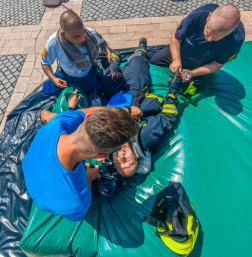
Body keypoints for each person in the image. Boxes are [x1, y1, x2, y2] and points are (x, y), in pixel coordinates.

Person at [22, 107, 139, 222]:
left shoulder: (60, 121)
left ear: (88, 117)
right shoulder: (77, 202)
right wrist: (89, 177)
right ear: (100, 157)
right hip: (42, 195)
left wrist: (125, 111)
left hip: (30, 163)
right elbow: (78, 216)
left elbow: (82, 113)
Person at [98, 39, 182, 177]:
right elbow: (167, 118)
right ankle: (141, 49)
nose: (122, 158)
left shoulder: (104, 143)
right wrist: (174, 91)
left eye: (119, 164)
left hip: (112, 97)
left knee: (106, 73)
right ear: (136, 157)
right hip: (133, 92)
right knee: (137, 64)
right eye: (128, 162)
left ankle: (115, 58)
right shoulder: (145, 137)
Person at [150, 4, 245, 96]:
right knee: (153, 60)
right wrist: (176, 60)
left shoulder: (236, 40)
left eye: (215, 38)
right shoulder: (197, 16)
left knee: (183, 92)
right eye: (208, 31)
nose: (208, 39)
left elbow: (217, 64)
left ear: (229, 33)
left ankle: (198, 78)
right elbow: (175, 38)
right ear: (208, 17)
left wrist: (193, 73)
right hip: (183, 51)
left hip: (202, 63)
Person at [41, 10, 113, 96]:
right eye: (77, 36)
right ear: (64, 34)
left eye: (83, 33)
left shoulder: (90, 33)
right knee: (47, 91)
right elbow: (45, 63)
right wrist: (54, 79)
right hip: (65, 74)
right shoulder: (53, 43)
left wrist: (108, 53)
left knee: (96, 91)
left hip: (86, 74)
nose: (83, 38)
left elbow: (101, 42)